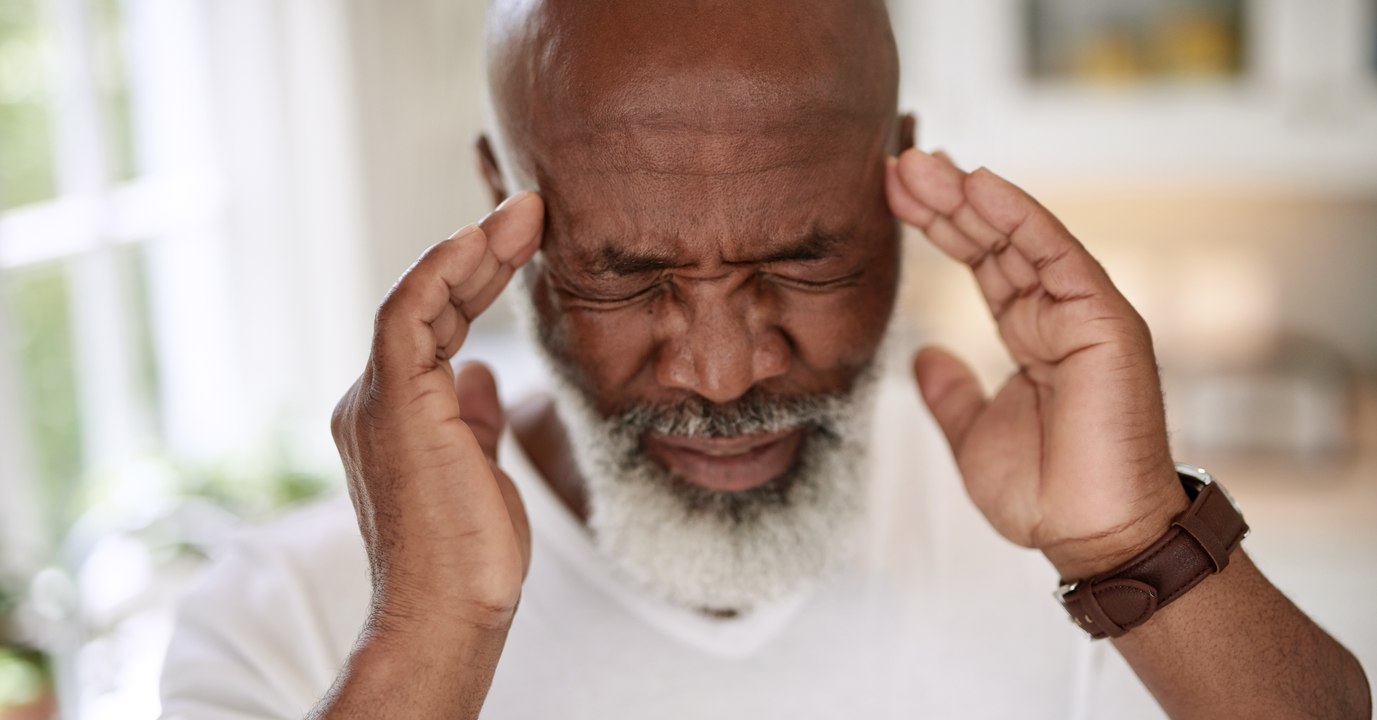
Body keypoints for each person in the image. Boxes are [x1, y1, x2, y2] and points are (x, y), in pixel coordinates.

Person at [160, 1, 1371, 718]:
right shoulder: (281, 621)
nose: (727, 375)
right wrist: (427, 640)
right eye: (630, 276)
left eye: (802, 266)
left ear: (899, 177)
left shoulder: (1084, 526)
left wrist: (1134, 552)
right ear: (500, 200)